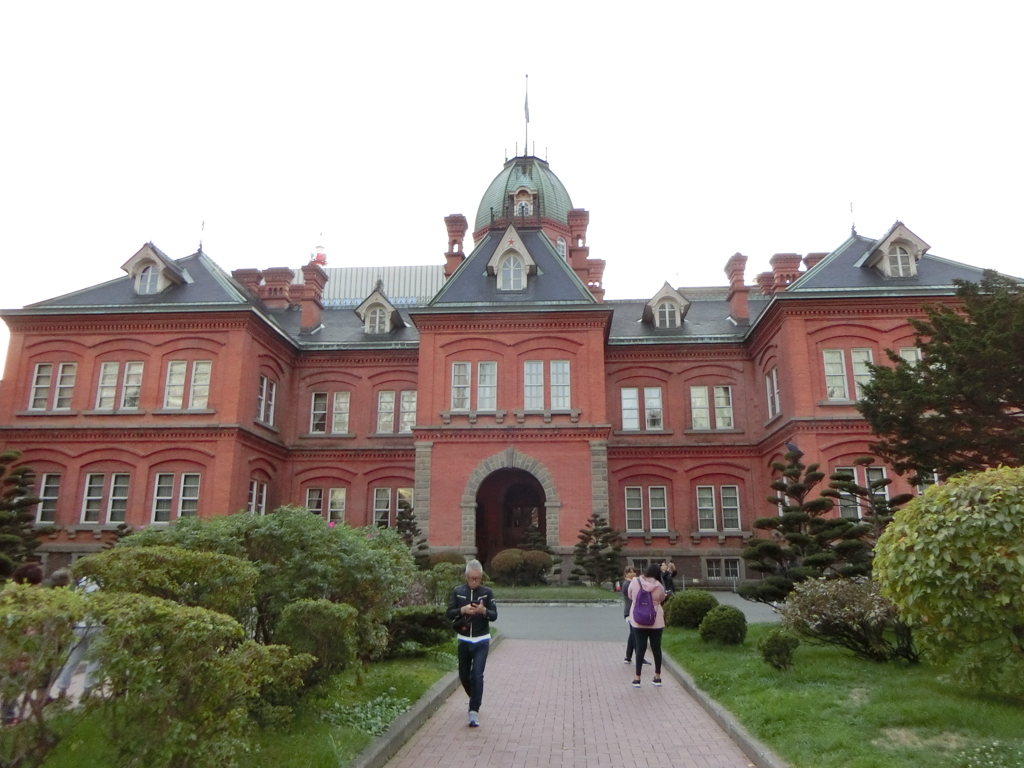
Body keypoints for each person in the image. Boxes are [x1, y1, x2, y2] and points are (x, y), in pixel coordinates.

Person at [446, 559, 497, 727]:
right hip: (464, 638)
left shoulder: (487, 593)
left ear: (481, 578)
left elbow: (494, 615)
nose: (474, 582)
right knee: (464, 675)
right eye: (471, 578)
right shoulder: (458, 592)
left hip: (481, 639)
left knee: (477, 674)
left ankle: (474, 710)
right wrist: (462, 610)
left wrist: (483, 611)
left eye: (477, 579)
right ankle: (475, 696)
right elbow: (449, 613)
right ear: (466, 576)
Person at [628, 563, 667, 688]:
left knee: (640, 648)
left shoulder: (634, 582)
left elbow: (630, 596)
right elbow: (661, 599)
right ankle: (657, 677)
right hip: (655, 620)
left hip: (638, 620)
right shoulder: (659, 585)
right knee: (656, 648)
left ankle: (637, 678)